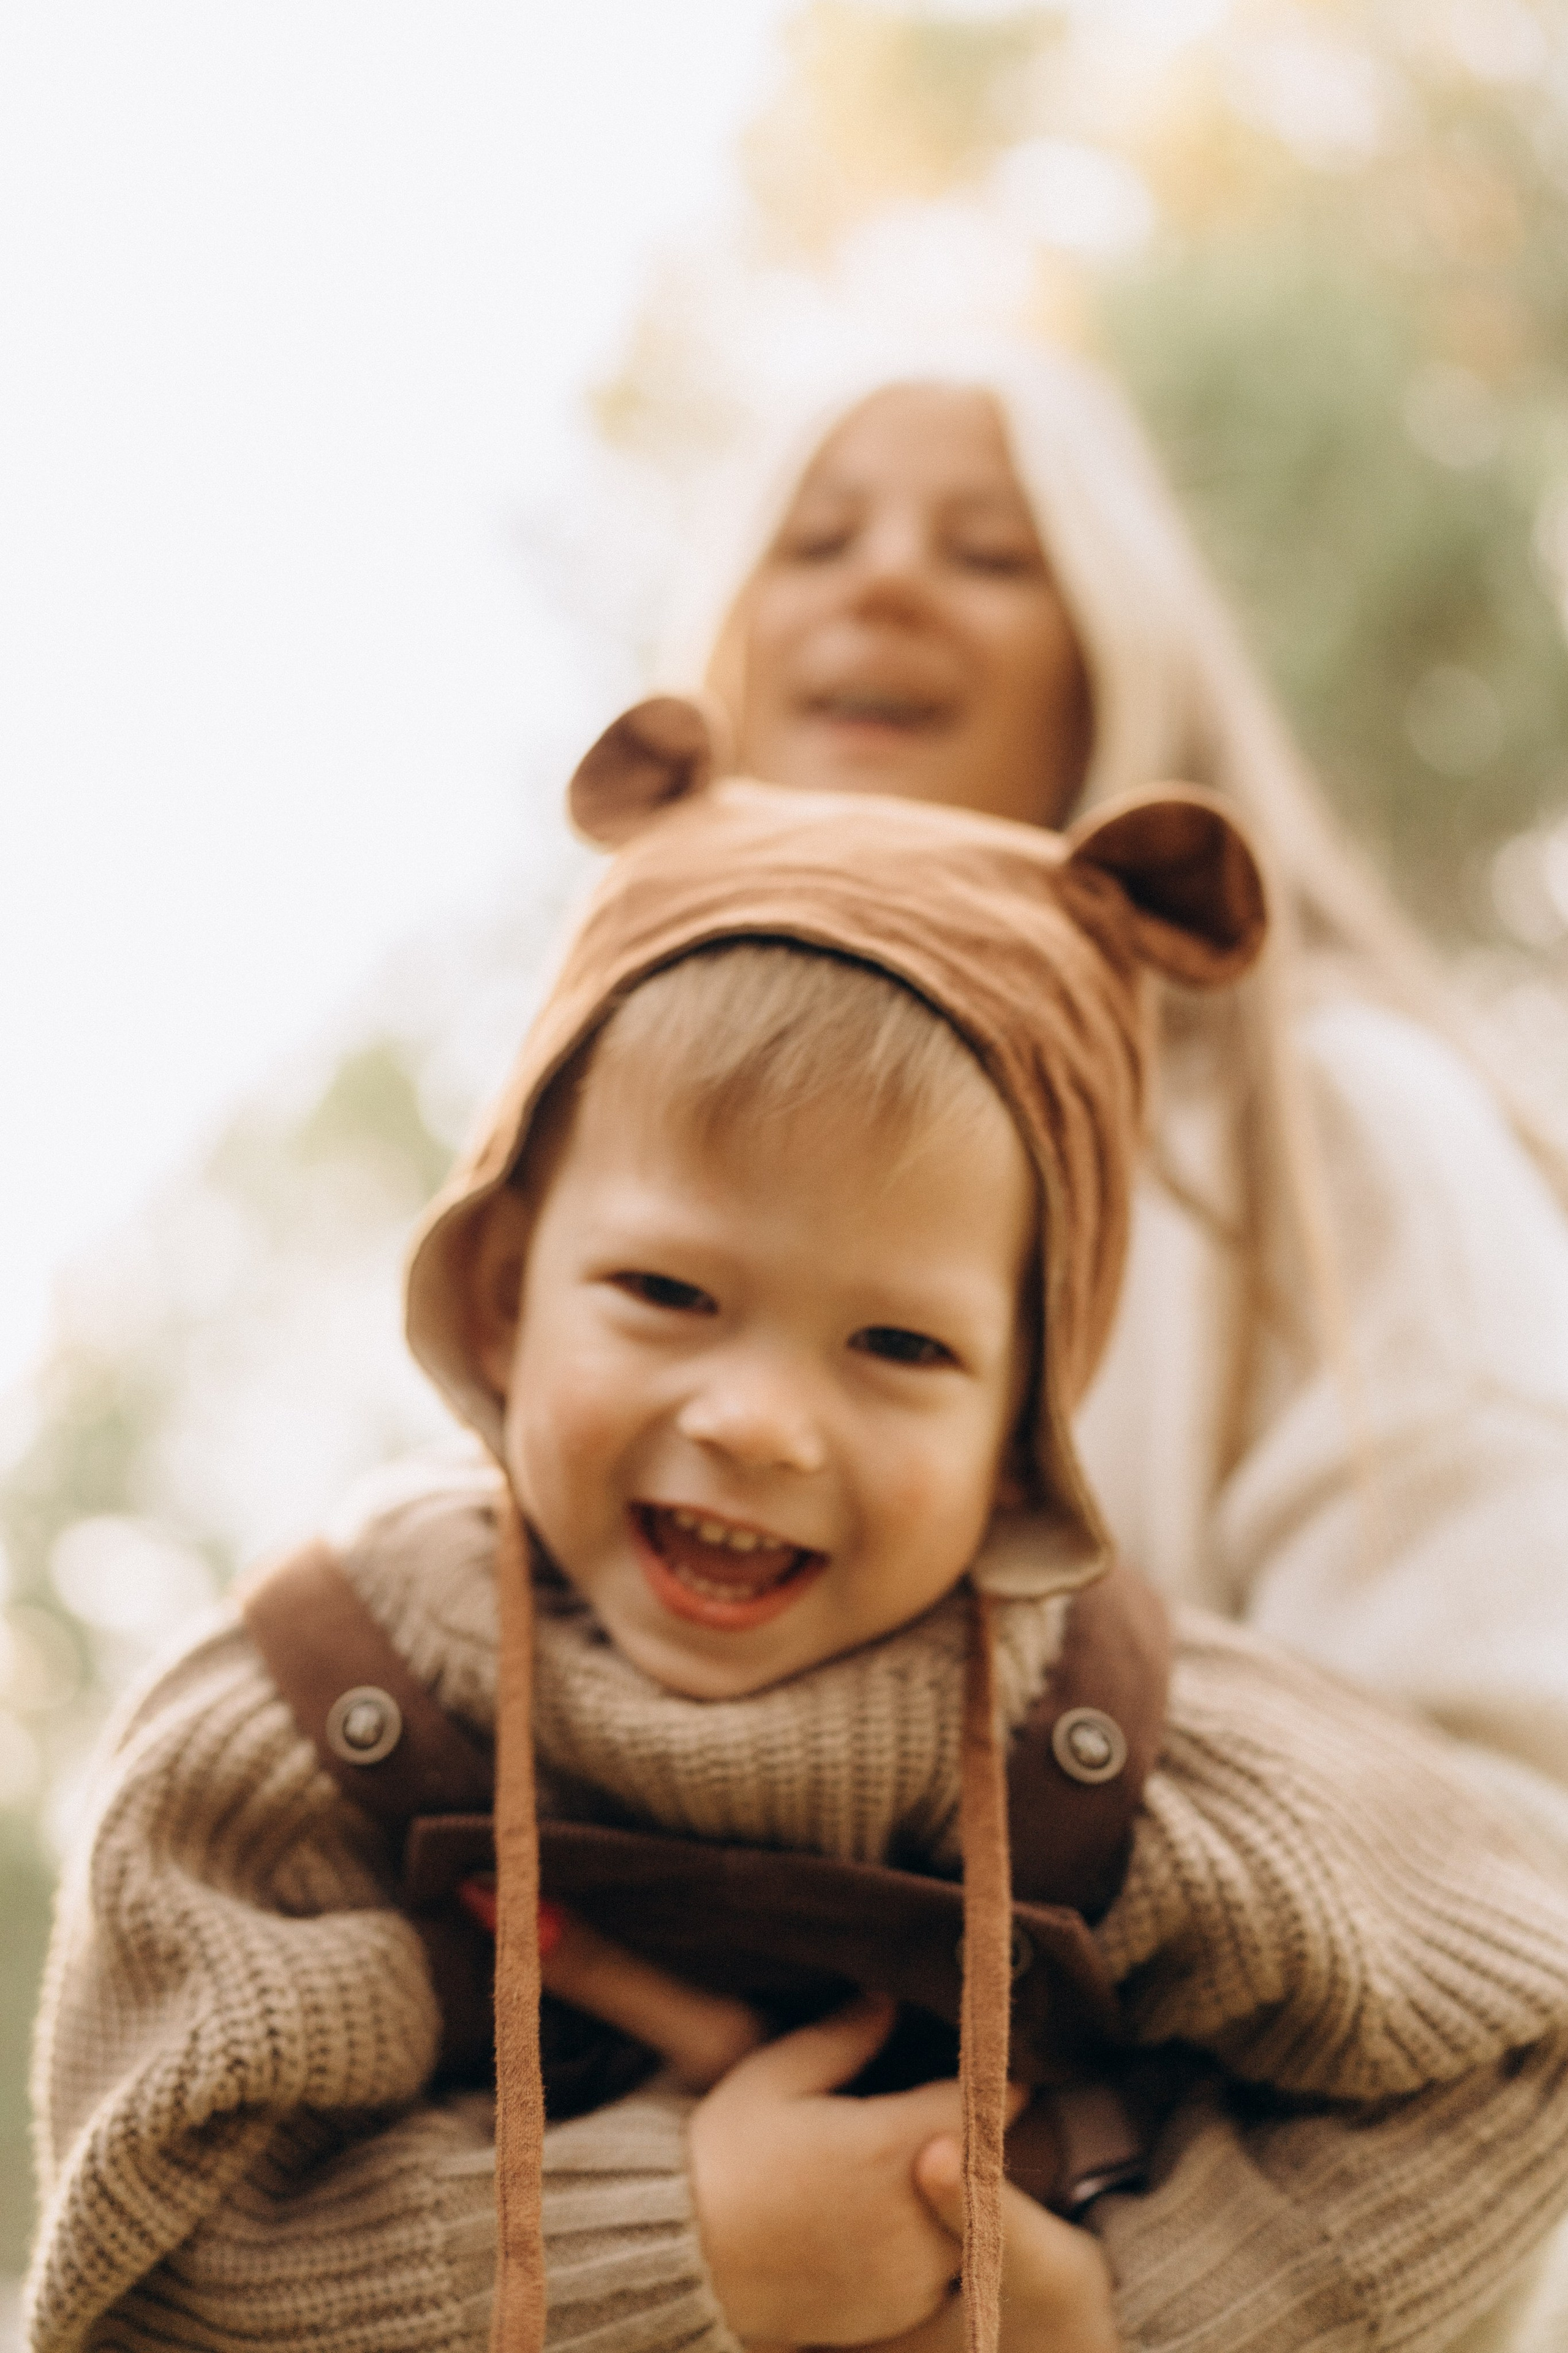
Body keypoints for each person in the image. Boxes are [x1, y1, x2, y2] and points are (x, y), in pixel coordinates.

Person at [26, 734, 1568, 2353]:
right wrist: (691, 2241)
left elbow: (1519, 2029)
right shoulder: (307, 1718)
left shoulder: (1133, 1750)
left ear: (1028, 1418)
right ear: (502, 1289)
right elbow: (156, 2258)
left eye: (900, 1347)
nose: (759, 1422)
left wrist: (1129, 2309)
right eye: (669, 1295)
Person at [655, 362, 1568, 1857]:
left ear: (1115, 656)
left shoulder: (1332, 1125)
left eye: (991, 553)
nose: (882, 579)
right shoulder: (599, 1167)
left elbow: (1503, 1825)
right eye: (815, 541)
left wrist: (1008, 2079)